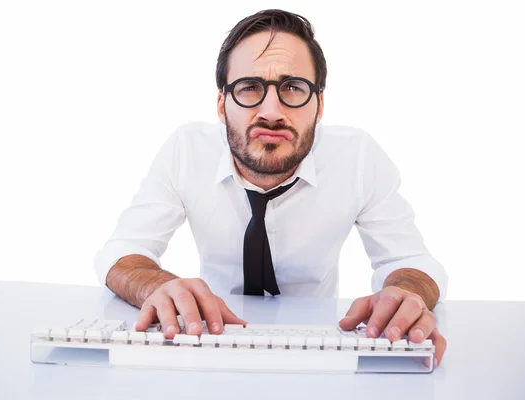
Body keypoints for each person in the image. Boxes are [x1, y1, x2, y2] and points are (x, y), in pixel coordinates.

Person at [94, 9, 448, 367]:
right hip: (209, 345)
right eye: (250, 87)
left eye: (293, 87)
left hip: (321, 355)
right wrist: (155, 285)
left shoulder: (358, 157)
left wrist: (405, 294)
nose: (271, 111)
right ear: (221, 104)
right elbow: (124, 251)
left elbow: (410, 260)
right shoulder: (186, 149)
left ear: (320, 104)